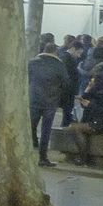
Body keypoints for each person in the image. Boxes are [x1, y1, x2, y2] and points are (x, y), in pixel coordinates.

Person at [64, 48, 103, 167]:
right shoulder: (95, 91)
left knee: (74, 128)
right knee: (77, 128)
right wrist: (87, 89)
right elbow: (83, 101)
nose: (91, 82)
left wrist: (90, 105)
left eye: (93, 81)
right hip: (95, 121)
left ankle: (83, 158)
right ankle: (84, 158)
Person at [28, 38, 69, 167]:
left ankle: (26, 154)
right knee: (46, 131)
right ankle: (42, 157)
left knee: (30, 128)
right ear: (56, 52)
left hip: (33, 99)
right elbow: (66, 83)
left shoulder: (32, 63)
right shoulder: (59, 65)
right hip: (50, 101)